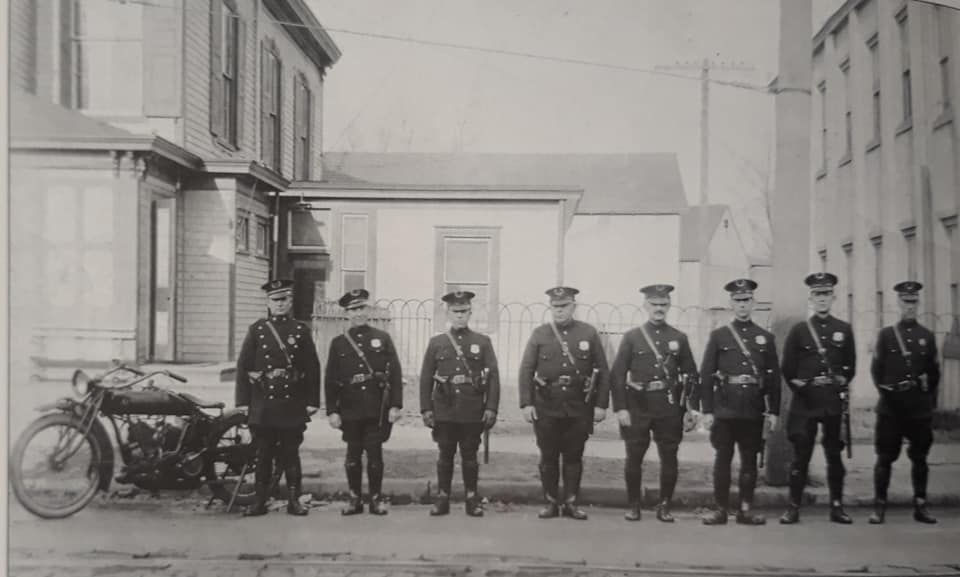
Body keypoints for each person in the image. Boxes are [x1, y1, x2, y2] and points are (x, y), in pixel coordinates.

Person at [518, 286, 610, 520]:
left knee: (574, 456)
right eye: (555, 307)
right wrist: (527, 403)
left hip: (579, 406)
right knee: (548, 456)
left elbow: (603, 370)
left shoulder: (588, 333)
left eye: (564, 306)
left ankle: (571, 502)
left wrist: (600, 405)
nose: (559, 311)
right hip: (547, 405)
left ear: (573, 307)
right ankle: (550, 502)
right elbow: (526, 370)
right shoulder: (540, 334)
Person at [610, 284, 697, 523]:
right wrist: (621, 408)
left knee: (669, 455)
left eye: (663, 304)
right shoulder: (632, 337)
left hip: (668, 406)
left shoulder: (678, 338)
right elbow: (617, 375)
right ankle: (634, 505)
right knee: (634, 456)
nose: (659, 309)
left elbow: (691, 374)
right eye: (654, 305)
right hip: (637, 404)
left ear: (669, 306)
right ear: (645, 306)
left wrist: (690, 408)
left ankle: (665, 505)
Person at [696, 279, 780, 526]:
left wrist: (773, 410)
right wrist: (707, 410)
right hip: (725, 409)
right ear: (730, 303)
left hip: (753, 409)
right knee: (723, 459)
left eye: (746, 300)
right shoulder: (719, 336)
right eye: (738, 300)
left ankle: (745, 510)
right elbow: (706, 374)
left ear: (753, 302)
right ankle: (720, 510)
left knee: (749, 461)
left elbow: (774, 378)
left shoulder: (765, 338)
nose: (742, 305)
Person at [235, 278, 321, 517]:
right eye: (276, 300)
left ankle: (294, 501)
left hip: (291, 403)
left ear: (291, 301)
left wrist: (313, 401)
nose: (280, 304)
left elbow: (312, 368)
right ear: (268, 303)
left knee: (291, 454)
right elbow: (244, 367)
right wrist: (243, 402)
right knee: (263, 455)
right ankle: (259, 501)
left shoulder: (300, 331)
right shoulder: (257, 330)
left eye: (285, 299)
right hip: (263, 403)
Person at [779, 272, 857, 525]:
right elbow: (788, 368)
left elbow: (850, 366)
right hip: (806, 403)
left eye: (826, 294)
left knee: (834, 456)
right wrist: (801, 387)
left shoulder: (843, 330)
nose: (821, 299)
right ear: (810, 298)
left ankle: (837, 506)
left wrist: (841, 381)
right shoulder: (799, 331)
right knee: (801, 456)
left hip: (832, 402)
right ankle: (793, 507)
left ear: (833, 297)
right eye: (817, 295)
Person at [419, 290, 501, 517]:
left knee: (469, 455)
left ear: (470, 312)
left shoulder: (482, 342)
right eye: (455, 312)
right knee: (445, 454)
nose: (459, 316)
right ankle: (442, 498)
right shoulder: (437, 343)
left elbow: (493, 377)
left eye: (464, 311)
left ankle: (471, 498)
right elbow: (426, 377)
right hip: (444, 409)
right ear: (447, 313)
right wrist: (426, 409)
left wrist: (491, 408)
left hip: (471, 409)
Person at [324, 289, 403, 516]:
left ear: (367, 310)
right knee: (352, 457)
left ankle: (376, 499)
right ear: (346, 314)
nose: (358, 313)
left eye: (361, 308)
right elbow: (330, 379)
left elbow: (395, 374)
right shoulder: (338, 343)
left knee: (375, 456)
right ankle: (354, 499)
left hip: (376, 407)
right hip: (349, 408)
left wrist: (395, 405)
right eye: (352, 310)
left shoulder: (382, 338)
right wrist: (332, 411)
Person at [868, 281, 940, 525]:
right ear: (898, 303)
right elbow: (876, 371)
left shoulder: (926, 337)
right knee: (885, 457)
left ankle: (921, 505)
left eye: (913, 302)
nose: (909, 306)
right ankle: (879, 506)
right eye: (905, 301)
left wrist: (927, 397)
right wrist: (889, 393)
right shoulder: (886, 336)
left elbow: (934, 373)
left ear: (917, 303)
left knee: (920, 458)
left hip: (918, 409)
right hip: (891, 408)